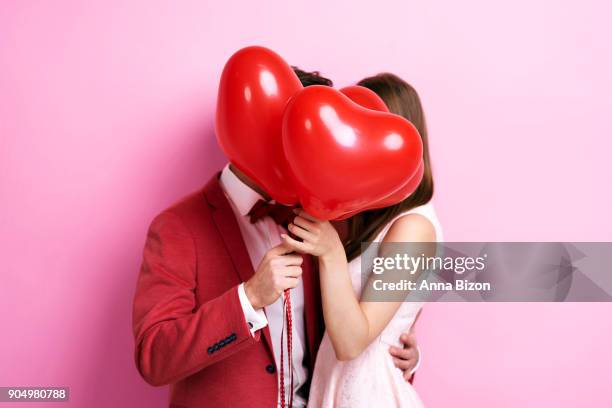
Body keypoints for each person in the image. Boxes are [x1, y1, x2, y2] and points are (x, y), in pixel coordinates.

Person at [132, 69, 421, 408]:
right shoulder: (178, 227)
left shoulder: (321, 221)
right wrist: (249, 297)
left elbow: (351, 324)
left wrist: (400, 354)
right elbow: (154, 357)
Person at [281, 73, 442, 408]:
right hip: (337, 386)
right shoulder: (370, 215)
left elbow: (354, 341)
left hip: (369, 394)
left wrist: (330, 252)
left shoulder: (414, 227)